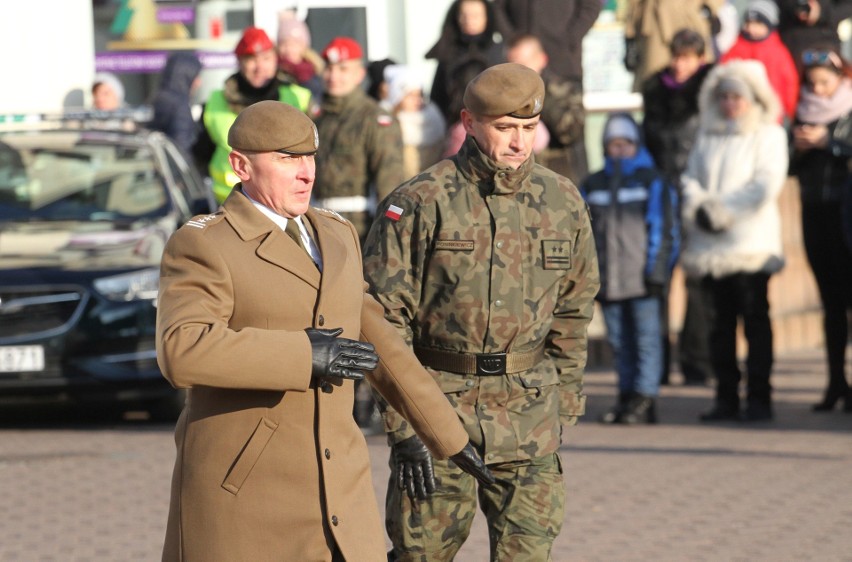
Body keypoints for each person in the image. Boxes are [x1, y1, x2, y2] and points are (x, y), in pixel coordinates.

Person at [156, 100, 494, 561]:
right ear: (241, 166)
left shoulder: (334, 233)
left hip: (339, 491)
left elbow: (376, 338)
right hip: (249, 495)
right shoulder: (204, 243)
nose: (305, 173)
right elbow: (182, 349)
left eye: (309, 157)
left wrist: (447, 434)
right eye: (286, 158)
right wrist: (303, 355)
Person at [363, 63, 600, 561]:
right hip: (437, 412)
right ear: (469, 122)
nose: (519, 142)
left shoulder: (562, 201)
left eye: (529, 128)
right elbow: (383, 321)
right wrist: (405, 428)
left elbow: (574, 311)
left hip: (530, 415)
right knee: (420, 555)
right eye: (505, 128)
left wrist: (566, 405)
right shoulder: (421, 201)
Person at [680, 59, 788, 422]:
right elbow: (689, 178)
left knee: (755, 323)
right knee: (719, 326)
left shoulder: (768, 134)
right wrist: (701, 208)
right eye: (723, 96)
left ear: (752, 98)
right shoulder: (707, 134)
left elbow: (765, 184)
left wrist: (723, 211)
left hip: (749, 245)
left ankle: (760, 398)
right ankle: (726, 397)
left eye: (737, 97)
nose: (730, 104)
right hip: (710, 246)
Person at [582, 113, 680, 424]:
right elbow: (582, 235)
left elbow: (664, 230)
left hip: (641, 276)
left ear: (635, 145)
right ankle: (625, 397)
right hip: (608, 278)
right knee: (620, 342)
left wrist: (658, 272)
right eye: (613, 144)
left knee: (646, 339)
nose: (619, 149)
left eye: (625, 143)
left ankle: (645, 397)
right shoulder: (593, 184)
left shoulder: (652, 181)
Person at [641, 28, 715, 386]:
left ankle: (697, 361)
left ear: (700, 59)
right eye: (676, 55)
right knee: (658, 279)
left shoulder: (712, 92)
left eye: (687, 56)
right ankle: (658, 363)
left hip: (696, 191)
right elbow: (646, 142)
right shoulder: (655, 91)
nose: (679, 63)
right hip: (661, 193)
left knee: (698, 281)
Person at [789, 46, 852, 412]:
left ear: (841, 78)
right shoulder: (801, 114)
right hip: (815, 212)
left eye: (825, 83)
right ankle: (835, 382)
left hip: (847, 214)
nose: (819, 91)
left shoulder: (848, 111)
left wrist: (831, 142)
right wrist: (797, 148)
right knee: (830, 304)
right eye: (813, 84)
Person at [192, 26, 312, 204]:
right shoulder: (215, 101)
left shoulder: (299, 98)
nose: (259, 67)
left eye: (266, 58)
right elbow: (201, 154)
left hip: (284, 203)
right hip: (230, 203)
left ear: (275, 59)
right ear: (239, 61)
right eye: (251, 59)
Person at [311, 36, 404, 242]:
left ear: (359, 74)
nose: (333, 76)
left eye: (343, 69)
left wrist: (387, 234)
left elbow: (389, 183)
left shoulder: (375, 119)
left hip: (361, 228)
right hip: (317, 225)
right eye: (329, 68)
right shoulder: (314, 117)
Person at [506, 33, 588, 184]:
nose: (518, 72)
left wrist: (539, 96)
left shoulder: (564, 90)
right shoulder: (503, 95)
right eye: (512, 65)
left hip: (559, 179)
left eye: (524, 64)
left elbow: (571, 132)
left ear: (542, 60)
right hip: (518, 181)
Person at [426, 0, 506, 126]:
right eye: (464, 15)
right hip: (455, 124)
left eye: (475, 15)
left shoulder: (500, 52)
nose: (468, 20)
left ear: (487, 18)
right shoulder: (448, 51)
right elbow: (437, 96)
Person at [721, 0, 801, 122]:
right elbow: (722, 73)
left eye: (758, 23)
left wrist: (789, 111)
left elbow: (790, 82)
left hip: (770, 115)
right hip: (738, 113)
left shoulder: (778, 52)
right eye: (748, 23)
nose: (751, 28)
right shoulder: (736, 48)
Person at [493, 0, 602, 84]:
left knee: (564, 109)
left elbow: (591, 7)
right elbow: (498, 8)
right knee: (520, 109)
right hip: (521, 60)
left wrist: (570, 39)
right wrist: (512, 39)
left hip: (563, 61)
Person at [622, 0, 723, 89]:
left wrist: (710, 7)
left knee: (699, 83)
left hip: (690, 16)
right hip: (654, 26)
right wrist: (630, 36)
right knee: (654, 85)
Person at [382, 64, 447, 180]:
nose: (418, 100)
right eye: (410, 95)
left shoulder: (435, 122)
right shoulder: (386, 125)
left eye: (420, 95)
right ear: (398, 98)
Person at [148, 52, 202, 157]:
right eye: (196, 76)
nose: (199, 83)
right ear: (186, 76)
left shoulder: (158, 98)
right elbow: (181, 149)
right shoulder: (179, 107)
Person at [776, 0, 852, 74]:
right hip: (791, 45)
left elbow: (848, 5)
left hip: (825, 43)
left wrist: (822, 12)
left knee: (825, 79)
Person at [276, 10, 324, 103]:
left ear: (304, 47)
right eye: (284, 44)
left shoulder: (315, 72)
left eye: (295, 44)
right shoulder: (275, 73)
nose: (289, 49)